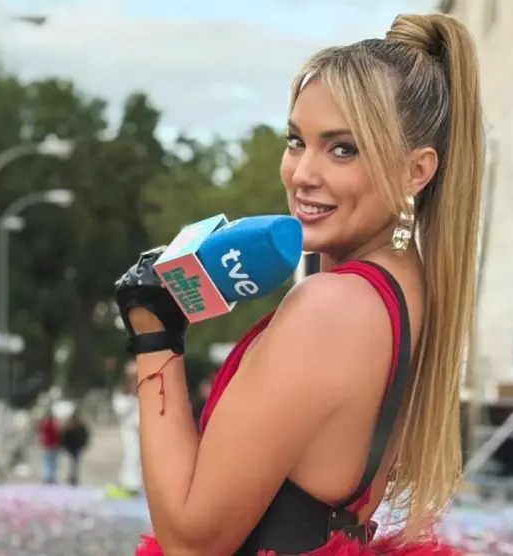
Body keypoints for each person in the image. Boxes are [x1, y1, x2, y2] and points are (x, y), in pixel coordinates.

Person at [116, 12, 482, 555]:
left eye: (343, 149)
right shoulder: (408, 287)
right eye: (296, 141)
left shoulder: (330, 307)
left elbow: (192, 541)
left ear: (416, 171)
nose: (302, 173)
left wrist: (154, 334)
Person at [113, 360, 143, 495]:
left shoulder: (144, 393)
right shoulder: (122, 395)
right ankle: (130, 483)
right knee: (132, 454)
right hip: (129, 430)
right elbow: (120, 411)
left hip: (144, 432)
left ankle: (141, 485)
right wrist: (132, 396)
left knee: (143, 458)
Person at [61, 408, 91, 486]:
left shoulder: (81, 426)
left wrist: (84, 444)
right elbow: (64, 435)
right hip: (70, 447)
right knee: (70, 463)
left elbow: (85, 435)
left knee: (76, 463)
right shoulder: (69, 425)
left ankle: (74, 478)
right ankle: (70, 477)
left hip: (77, 446)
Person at [38, 409, 62, 485]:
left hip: (48, 445)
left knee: (48, 462)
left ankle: (48, 477)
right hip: (52, 445)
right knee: (52, 463)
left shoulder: (45, 424)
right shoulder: (54, 424)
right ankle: (51, 477)